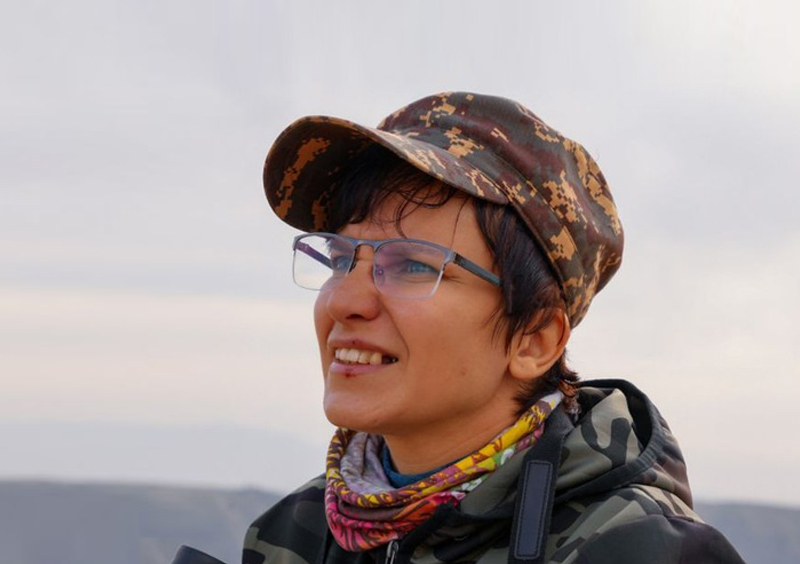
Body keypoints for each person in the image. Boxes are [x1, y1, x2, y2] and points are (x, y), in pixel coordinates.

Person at [243, 92, 746, 564]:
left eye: (413, 265)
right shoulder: (291, 535)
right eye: (340, 258)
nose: (344, 301)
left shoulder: (633, 547)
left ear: (534, 340)